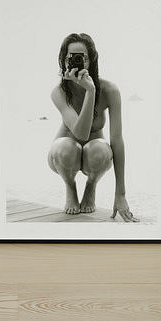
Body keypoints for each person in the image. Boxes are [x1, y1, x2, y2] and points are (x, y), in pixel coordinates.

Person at [48, 33, 138, 221]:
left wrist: (120, 194)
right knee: (67, 146)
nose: (77, 61)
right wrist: (90, 92)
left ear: (91, 60)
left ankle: (91, 185)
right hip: (62, 157)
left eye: (82, 57)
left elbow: (117, 141)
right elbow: (80, 133)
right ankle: (70, 187)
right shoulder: (59, 92)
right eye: (71, 57)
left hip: (95, 158)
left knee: (100, 148)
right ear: (64, 60)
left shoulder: (110, 90)